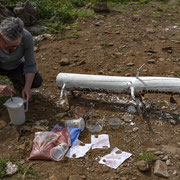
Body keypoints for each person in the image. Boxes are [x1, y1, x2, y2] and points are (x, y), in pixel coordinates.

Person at [0, 17, 43, 101]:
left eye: (18, 45)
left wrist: (27, 87)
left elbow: (30, 65)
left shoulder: (26, 37)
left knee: (36, 80)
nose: (15, 49)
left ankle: (18, 84)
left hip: (15, 65)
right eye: (11, 46)